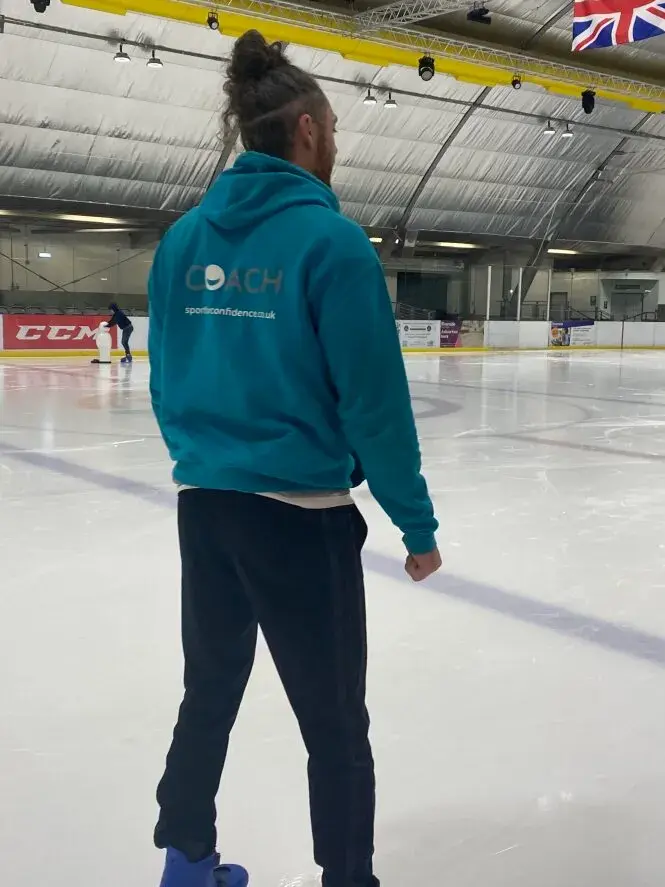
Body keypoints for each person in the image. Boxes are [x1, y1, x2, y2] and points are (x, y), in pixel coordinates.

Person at [148, 30, 441, 887]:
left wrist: (206, 459)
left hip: (205, 508)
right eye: (335, 127)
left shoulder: (182, 240)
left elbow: (166, 380)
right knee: (333, 725)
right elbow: (375, 409)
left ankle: (185, 861)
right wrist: (414, 524)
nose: (337, 141)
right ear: (308, 130)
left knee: (207, 694)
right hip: (301, 524)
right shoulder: (332, 244)